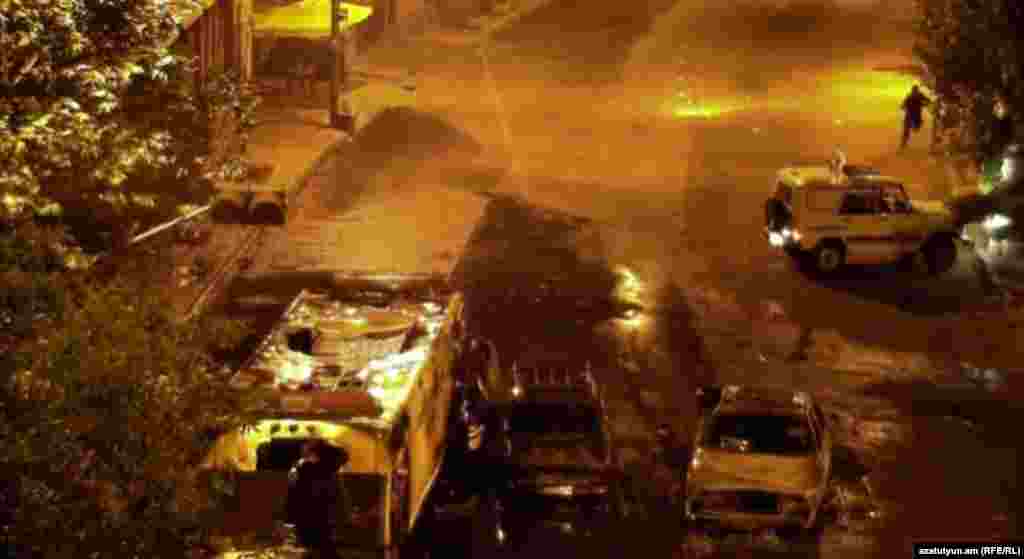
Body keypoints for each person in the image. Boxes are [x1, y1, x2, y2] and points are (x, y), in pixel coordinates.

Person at [286, 440, 350, 559]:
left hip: (308, 524)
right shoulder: (330, 475)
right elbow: (339, 502)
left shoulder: (302, 471)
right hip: (321, 526)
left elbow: (293, 498)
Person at [901, 85, 932, 149]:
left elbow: (928, 101)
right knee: (907, 129)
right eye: (914, 91)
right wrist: (925, 104)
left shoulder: (914, 95)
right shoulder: (912, 96)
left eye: (915, 91)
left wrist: (925, 104)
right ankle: (903, 143)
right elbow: (928, 101)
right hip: (912, 115)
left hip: (913, 115)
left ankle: (903, 143)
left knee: (909, 128)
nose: (914, 93)